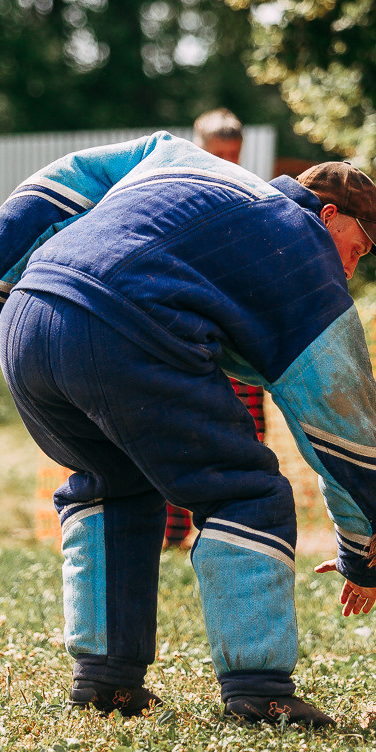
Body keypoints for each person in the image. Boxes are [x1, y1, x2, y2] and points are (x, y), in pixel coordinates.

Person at [0, 131, 376, 727]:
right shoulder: (302, 247)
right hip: (128, 330)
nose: (352, 266)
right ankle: (258, 690)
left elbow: (48, 190)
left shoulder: (172, 154)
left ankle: (106, 680)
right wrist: (370, 548)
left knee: (113, 483)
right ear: (328, 214)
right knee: (245, 492)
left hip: (31, 317)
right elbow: (343, 429)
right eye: (359, 250)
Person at [160, 108, 262, 550]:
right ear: (197, 149)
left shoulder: (250, 200)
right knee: (175, 432)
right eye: (218, 154)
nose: (227, 162)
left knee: (243, 433)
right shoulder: (172, 198)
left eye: (233, 155)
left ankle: (229, 530)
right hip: (184, 334)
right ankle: (170, 533)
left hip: (238, 342)